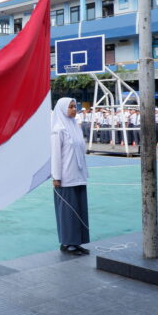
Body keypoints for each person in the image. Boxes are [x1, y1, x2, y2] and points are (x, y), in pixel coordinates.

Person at [51, 97, 90, 256]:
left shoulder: (75, 127)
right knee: (68, 212)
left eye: (75, 106)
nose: (74, 109)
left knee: (79, 210)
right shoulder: (58, 129)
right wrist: (56, 177)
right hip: (65, 178)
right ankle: (67, 243)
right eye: (70, 107)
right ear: (61, 109)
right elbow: (55, 155)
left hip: (78, 175)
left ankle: (77, 242)